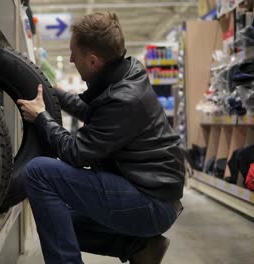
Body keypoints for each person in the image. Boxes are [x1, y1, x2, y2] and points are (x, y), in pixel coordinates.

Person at [16, 12, 185, 264]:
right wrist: (49, 90)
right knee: (58, 220)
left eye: (74, 53)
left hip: (151, 201)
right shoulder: (122, 76)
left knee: (39, 172)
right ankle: (138, 247)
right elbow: (88, 109)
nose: (71, 58)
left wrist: (41, 117)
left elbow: (75, 152)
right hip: (149, 192)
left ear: (93, 61)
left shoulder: (124, 98)